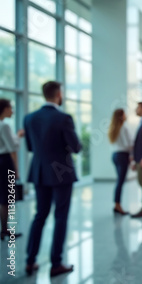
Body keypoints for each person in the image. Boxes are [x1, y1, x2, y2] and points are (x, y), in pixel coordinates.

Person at [25, 81, 81, 277]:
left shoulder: (29, 118)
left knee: (39, 215)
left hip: (39, 171)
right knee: (60, 216)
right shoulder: (63, 118)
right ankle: (56, 263)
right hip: (61, 173)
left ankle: (30, 260)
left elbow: (31, 147)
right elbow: (76, 147)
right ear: (58, 94)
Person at [0, 99, 24, 241]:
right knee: (6, 198)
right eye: (11, 108)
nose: (12, 111)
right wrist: (19, 136)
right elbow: (13, 147)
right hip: (5, 162)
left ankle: (4, 228)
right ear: (4, 108)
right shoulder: (4, 126)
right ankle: (5, 229)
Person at [108, 109, 133, 215]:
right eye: (124, 114)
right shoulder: (124, 127)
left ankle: (117, 204)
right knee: (120, 181)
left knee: (119, 181)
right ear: (121, 116)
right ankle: (118, 205)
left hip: (115, 155)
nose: (126, 115)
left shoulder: (113, 128)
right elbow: (128, 144)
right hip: (123, 155)